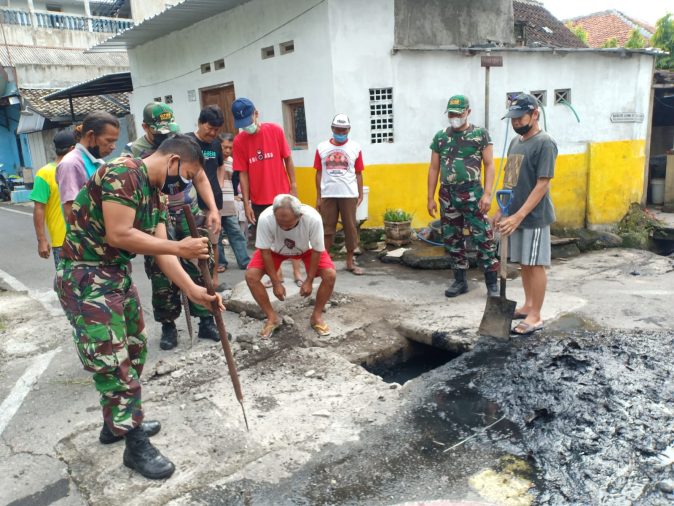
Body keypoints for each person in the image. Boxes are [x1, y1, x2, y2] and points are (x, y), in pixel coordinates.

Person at [55, 135, 224, 480]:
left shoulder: (156, 195)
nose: (185, 182)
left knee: (133, 351)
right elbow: (119, 234)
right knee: (112, 361)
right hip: (85, 276)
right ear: (173, 160)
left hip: (115, 276)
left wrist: (192, 290)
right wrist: (182, 248)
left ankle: (114, 424)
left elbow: (160, 249)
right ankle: (134, 445)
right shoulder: (123, 172)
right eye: (187, 174)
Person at [124, 102, 222, 351]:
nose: (165, 136)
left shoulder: (184, 144)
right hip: (157, 216)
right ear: (145, 127)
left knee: (200, 263)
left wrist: (212, 209)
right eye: (159, 131)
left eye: (170, 130)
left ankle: (206, 319)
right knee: (161, 270)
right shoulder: (136, 152)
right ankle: (168, 324)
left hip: (188, 213)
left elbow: (199, 176)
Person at [495, 93, 556, 336]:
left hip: (534, 217)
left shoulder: (545, 142)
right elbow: (510, 179)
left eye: (520, 118)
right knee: (524, 264)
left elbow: (543, 184)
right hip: (515, 214)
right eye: (513, 119)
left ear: (535, 114)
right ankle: (528, 305)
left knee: (535, 264)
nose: (516, 123)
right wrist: (502, 210)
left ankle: (536, 315)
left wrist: (519, 215)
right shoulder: (515, 143)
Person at [427, 95, 499, 298]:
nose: (455, 117)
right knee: (452, 238)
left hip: (472, 194)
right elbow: (434, 168)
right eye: (451, 114)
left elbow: (489, 164)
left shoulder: (480, 134)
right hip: (447, 195)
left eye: (458, 113)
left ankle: (491, 284)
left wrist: (487, 194)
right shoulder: (440, 137)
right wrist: (430, 197)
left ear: (468, 112)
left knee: (482, 236)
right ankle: (460, 281)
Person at [231, 97, 303, 286]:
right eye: (242, 124)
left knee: (293, 234)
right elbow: (243, 174)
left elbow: (288, 159)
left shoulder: (275, 131)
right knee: (268, 239)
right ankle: (276, 275)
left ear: (256, 114)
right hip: (259, 199)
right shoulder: (239, 141)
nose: (247, 127)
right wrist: (246, 203)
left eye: (249, 121)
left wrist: (293, 187)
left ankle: (297, 274)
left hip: (283, 196)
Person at [245, 194, 336, 339]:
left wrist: (309, 280)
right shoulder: (265, 218)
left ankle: (316, 316)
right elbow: (265, 252)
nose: (284, 227)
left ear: (299, 215)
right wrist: (276, 282)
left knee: (330, 275)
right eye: (280, 223)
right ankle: (272, 317)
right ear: (274, 214)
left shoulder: (313, 218)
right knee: (251, 276)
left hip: (307, 249)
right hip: (275, 251)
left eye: (288, 224)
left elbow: (318, 250)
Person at [314, 113, 365, 275]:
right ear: (332, 128)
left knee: (350, 228)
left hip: (349, 194)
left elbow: (358, 173)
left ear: (349, 129)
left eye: (344, 130)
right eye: (338, 129)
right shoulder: (322, 148)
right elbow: (318, 173)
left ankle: (350, 262)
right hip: (328, 194)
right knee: (327, 229)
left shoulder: (355, 147)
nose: (341, 133)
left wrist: (360, 193)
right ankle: (325, 263)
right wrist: (318, 196)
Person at [56, 111, 120, 219]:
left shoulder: (99, 163)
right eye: (109, 140)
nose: (113, 147)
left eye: (114, 141)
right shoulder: (71, 164)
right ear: (90, 135)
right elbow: (71, 211)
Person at [30, 130, 76, 267]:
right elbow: (39, 208)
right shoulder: (45, 173)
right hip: (63, 242)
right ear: (73, 149)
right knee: (67, 285)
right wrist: (41, 240)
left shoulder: (78, 168)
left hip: (87, 239)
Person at [217, 132, 250, 271]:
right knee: (216, 236)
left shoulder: (232, 161)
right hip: (215, 204)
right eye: (224, 147)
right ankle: (220, 263)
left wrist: (237, 195)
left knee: (236, 233)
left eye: (230, 148)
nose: (227, 151)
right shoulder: (211, 160)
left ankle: (244, 261)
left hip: (229, 204)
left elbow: (235, 180)